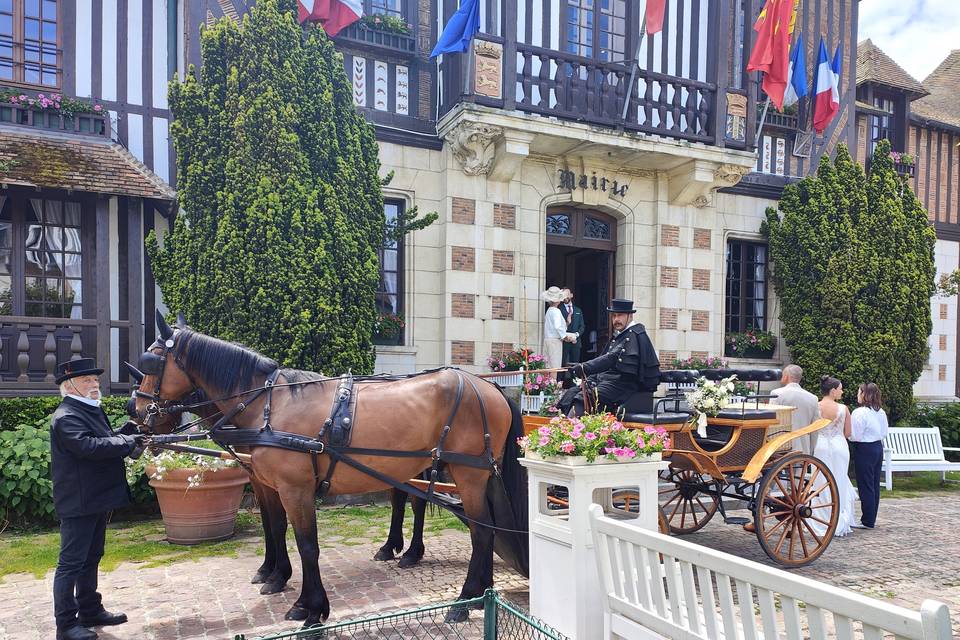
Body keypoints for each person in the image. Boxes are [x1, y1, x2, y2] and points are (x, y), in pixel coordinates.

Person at [50, 358, 144, 640]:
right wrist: (126, 443)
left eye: (94, 380)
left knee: (91, 556)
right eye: (86, 381)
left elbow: (103, 438)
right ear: (70, 387)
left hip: (93, 497)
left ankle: (89, 609)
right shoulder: (67, 416)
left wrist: (124, 433)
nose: (94, 384)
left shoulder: (87, 409)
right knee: (71, 563)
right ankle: (66, 625)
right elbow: (88, 446)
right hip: (78, 501)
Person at [557, 298, 660, 416]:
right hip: (609, 382)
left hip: (624, 385)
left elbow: (610, 358)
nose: (616, 319)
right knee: (572, 391)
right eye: (614, 316)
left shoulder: (634, 334)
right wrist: (589, 379)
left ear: (630, 316)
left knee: (587, 396)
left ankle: (573, 429)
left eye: (620, 315)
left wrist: (584, 367)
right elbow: (603, 359)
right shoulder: (619, 336)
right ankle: (561, 427)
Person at [810, 376, 857, 537]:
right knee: (839, 480)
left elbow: (811, 428)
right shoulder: (843, 409)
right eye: (840, 388)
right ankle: (838, 517)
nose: (842, 391)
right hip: (839, 446)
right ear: (833, 390)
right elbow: (848, 433)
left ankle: (819, 518)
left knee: (820, 481)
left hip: (820, 446)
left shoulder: (815, 406)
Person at [850, 382, 888, 529]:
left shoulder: (860, 412)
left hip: (865, 448)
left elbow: (855, 435)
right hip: (878, 447)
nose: (857, 395)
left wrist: (848, 437)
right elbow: (884, 432)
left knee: (865, 484)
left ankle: (867, 520)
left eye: (859, 392)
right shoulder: (881, 411)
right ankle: (871, 518)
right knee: (874, 484)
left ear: (865, 394)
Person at [770, 364, 821, 454]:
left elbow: (772, 421)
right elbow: (815, 428)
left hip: (782, 445)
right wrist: (811, 449)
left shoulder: (776, 393)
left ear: (786, 376)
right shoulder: (813, 398)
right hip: (804, 447)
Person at [541, 286, 569, 370]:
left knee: (547, 366)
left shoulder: (549, 310)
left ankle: (547, 383)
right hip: (555, 342)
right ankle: (553, 383)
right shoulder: (556, 311)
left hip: (547, 340)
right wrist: (564, 336)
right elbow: (558, 326)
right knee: (554, 366)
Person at [561, 288, 585, 365]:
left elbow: (582, 326)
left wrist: (576, 335)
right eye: (563, 295)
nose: (565, 297)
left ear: (571, 295)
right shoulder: (558, 310)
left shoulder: (578, 310)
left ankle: (574, 377)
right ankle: (560, 378)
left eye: (567, 294)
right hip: (563, 342)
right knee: (562, 364)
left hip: (576, 342)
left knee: (575, 365)